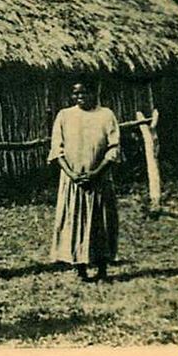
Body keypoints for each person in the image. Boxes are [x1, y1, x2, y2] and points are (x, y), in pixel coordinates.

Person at [48, 78, 120, 283]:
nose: (80, 97)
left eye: (84, 92)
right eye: (76, 93)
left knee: (100, 223)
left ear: (94, 93)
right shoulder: (65, 116)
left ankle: (102, 269)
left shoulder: (106, 115)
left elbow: (114, 147)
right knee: (75, 221)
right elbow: (57, 149)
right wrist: (71, 174)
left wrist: (96, 172)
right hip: (73, 180)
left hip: (99, 180)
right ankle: (79, 268)